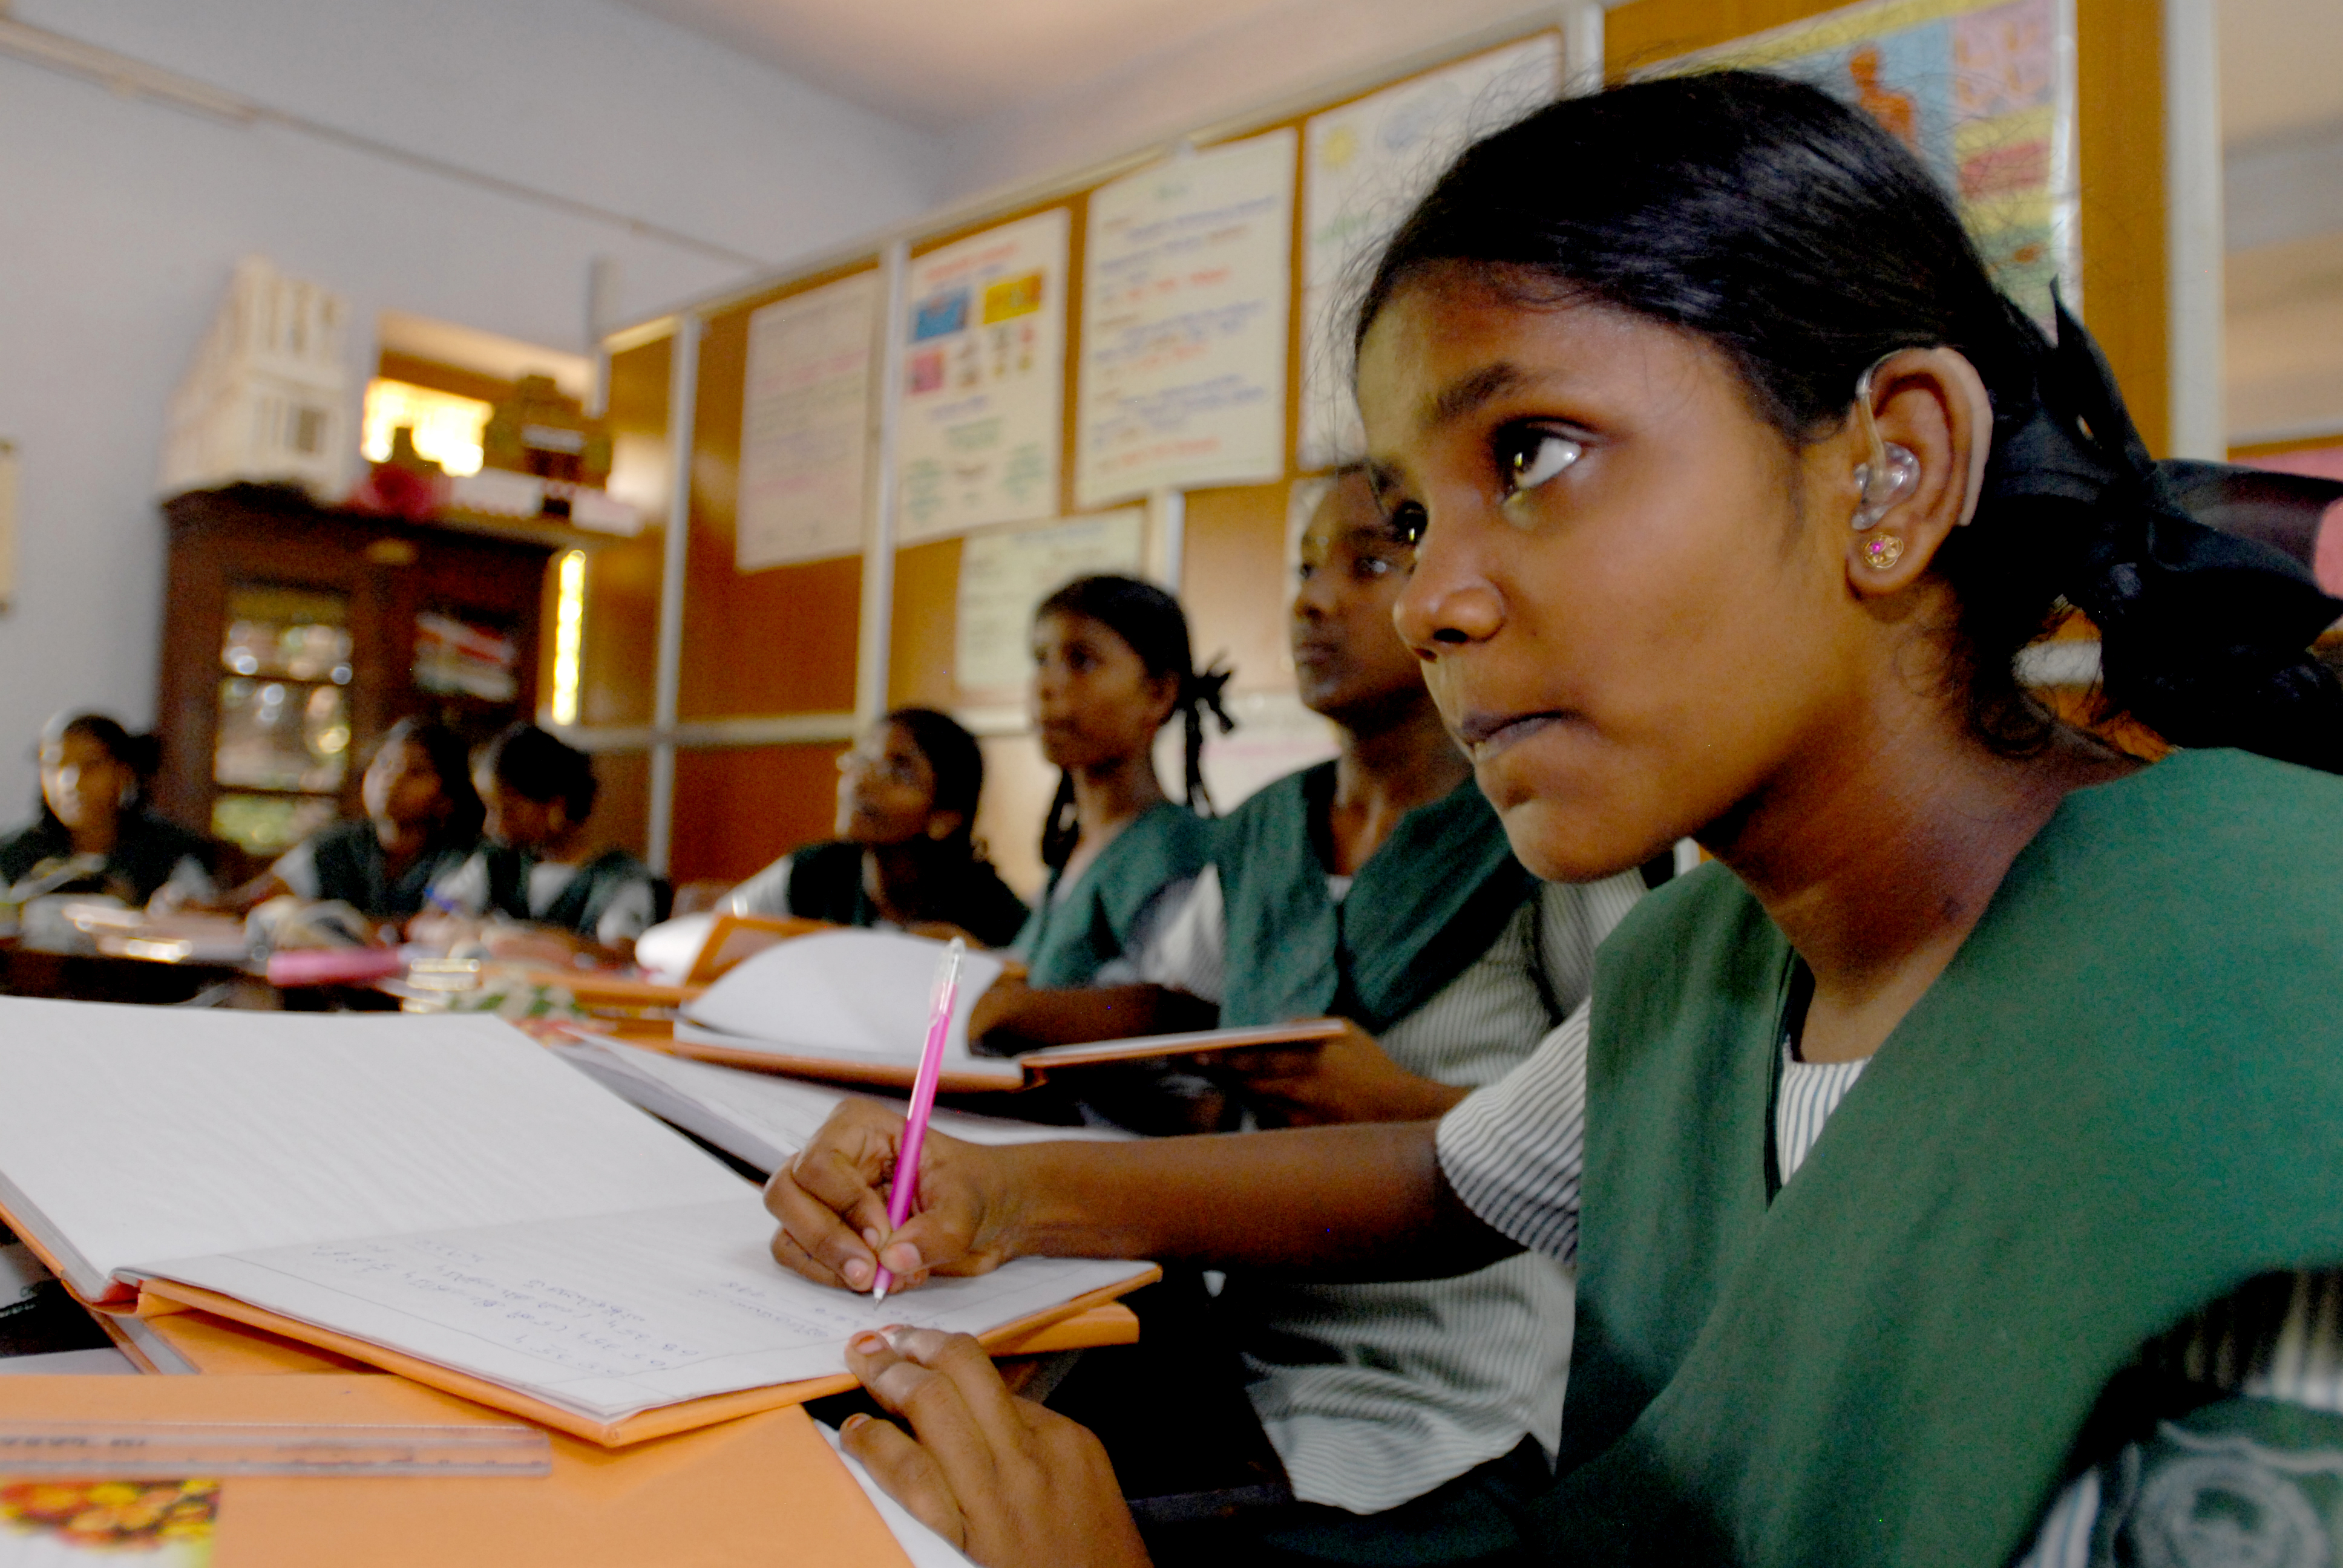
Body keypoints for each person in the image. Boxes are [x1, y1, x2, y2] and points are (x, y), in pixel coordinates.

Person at [765, 72, 2343, 1568]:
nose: (1434, 600)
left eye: (1532, 453)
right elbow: (1446, 1182)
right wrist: (1003, 1190)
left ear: (1891, 472)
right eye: (1408, 517)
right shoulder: (1703, 959)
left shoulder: (2265, 1034)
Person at [926, 467, 1645, 1558]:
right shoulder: (1261, 837)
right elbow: (1176, 1014)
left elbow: (1643, 1138)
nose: (1313, 599)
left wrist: (1399, 1101)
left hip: (1449, 1392)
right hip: (1243, 1346)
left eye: (1366, 561)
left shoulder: (1551, 831)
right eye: (1303, 568)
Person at [1011, 574, 1231, 990]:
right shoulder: (1075, 851)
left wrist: (1013, 1011)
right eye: (1041, 659)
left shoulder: (1179, 855)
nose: (1047, 685)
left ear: (1158, 695)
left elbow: (1165, 1013)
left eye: (1082, 661)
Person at [720, 707, 1027, 949]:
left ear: (945, 818)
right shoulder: (814, 872)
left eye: (898, 772)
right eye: (863, 759)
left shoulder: (993, 914)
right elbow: (719, 929)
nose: (862, 781)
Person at [418, 724, 666, 960]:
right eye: (489, 810)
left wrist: (517, 938)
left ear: (556, 807)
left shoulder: (619, 879)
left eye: (508, 811)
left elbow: (620, 955)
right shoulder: (498, 861)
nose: (490, 826)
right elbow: (433, 917)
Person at [223, 717, 482, 921]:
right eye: (384, 764)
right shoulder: (340, 845)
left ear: (449, 796)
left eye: (416, 772)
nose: (391, 780)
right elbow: (259, 896)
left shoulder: (461, 857)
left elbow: (435, 925)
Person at [0, 713, 213, 905]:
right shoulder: (12, 854)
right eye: (55, 766)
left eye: (91, 766)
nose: (70, 783)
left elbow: (203, 926)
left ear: (125, 773)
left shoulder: (168, 853)